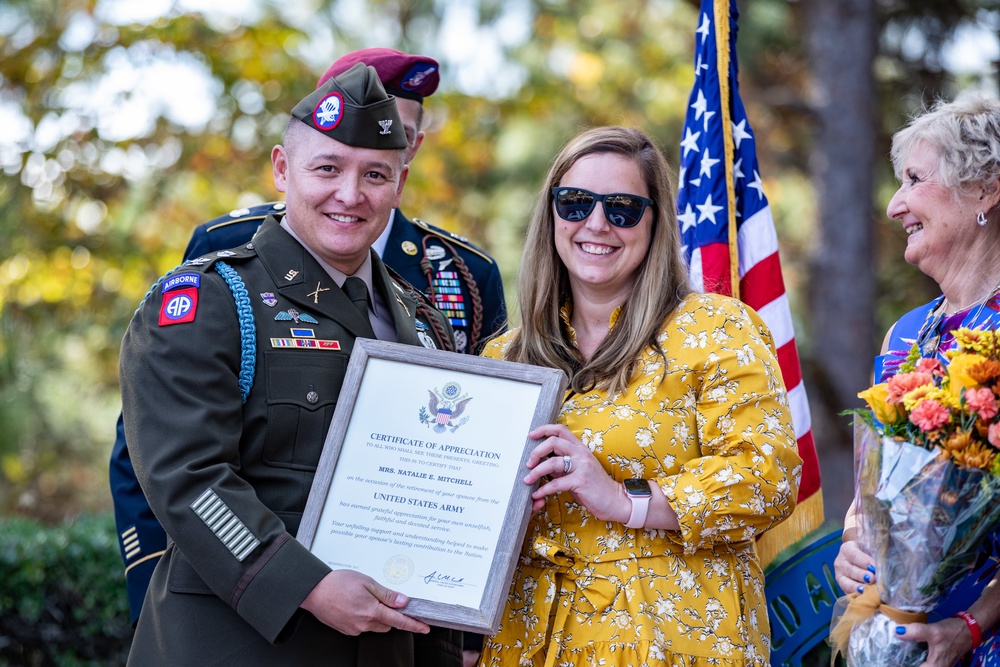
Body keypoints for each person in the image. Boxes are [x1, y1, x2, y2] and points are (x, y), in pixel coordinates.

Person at [109, 47, 506, 632]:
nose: (350, 194)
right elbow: (188, 479)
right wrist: (306, 584)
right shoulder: (210, 300)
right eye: (327, 168)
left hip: (392, 641)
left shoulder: (425, 319)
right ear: (281, 169)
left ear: (400, 183)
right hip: (238, 639)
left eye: (374, 174)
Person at [473, 126, 802, 666]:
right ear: (550, 214)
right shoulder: (504, 359)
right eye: (575, 203)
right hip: (525, 642)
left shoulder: (716, 329)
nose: (596, 224)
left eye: (623, 209)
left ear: (655, 223)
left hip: (669, 640)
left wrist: (627, 500)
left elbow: (768, 478)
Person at [834, 91, 1000, 667]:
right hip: (898, 635)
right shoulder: (903, 335)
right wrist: (853, 546)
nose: (893, 205)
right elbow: (870, 496)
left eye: (913, 179)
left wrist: (973, 626)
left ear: (984, 190)